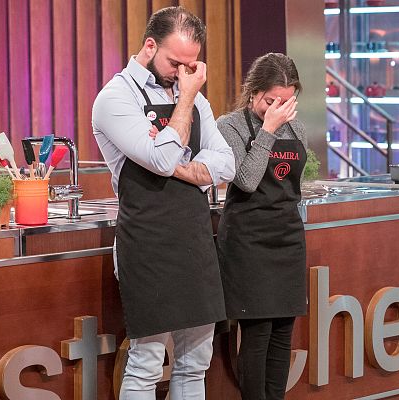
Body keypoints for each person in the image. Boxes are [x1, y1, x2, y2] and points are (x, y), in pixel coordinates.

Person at [91, 6, 235, 400]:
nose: (184, 73)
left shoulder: (190, 94)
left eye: (192, 65)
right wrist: (188, 99)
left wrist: (181, 165)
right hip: (148, 244)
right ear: (149, 46)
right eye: (176, 63)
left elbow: (226, 163)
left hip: (194, 240)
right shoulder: (115, 97)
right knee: (147, 362)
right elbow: (159, 159)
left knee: (196, 360)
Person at [216, 53, 308, 400]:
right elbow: (247, 179)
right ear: (253, 93)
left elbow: (296, 183)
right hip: (248, 242)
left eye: (286, 101)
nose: (278, 108)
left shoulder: (296, 128)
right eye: (271, 101)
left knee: (284, 332)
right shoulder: (230, 126)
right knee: (257, 333)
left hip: (286, 237)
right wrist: (267, 130)